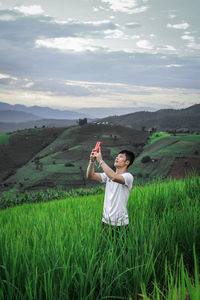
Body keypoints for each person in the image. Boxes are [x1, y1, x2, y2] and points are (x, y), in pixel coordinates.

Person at [86, 147, 135, 237]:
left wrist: (100, 160)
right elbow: (90, 175)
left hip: (120, 223)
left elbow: (114, 177)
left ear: (127, 162)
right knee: (106, 249)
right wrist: (92, 161)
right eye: (116, 156)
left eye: (120, 157)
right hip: (106, 221)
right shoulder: (108, 176)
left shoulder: (128, 177)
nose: (116, 158)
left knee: (121, 250)